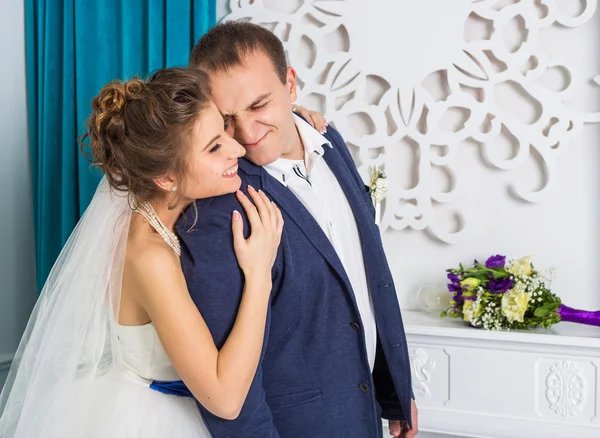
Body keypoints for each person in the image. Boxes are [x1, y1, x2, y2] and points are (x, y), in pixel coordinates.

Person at [0, 66, 297, 438]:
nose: (237, 147)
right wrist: (258, 275)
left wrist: (300, 119)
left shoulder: (165, 204)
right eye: (215, 146)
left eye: (223, 130)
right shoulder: (149, 255)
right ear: (166, 178)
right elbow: (224, 399)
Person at [180, 21, 419, 438]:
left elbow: (366, 275)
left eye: (259, 106)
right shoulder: (220, 207)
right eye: (228, 119)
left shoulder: (331, 142)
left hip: (362, 414)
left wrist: (395, 391)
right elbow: (229, 387)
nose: (248, 134)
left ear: (291, 85)